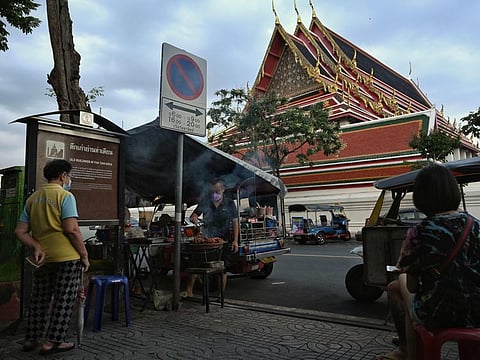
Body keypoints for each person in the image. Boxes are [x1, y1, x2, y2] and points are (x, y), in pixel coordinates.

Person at [376, 164, 480, 360]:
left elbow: (414, 287)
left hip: (440, 313)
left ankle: (408, 350)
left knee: (399, 285)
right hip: (478, 311)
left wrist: (406, 273)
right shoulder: (476, 225)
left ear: (421, 197)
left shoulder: (420, 231)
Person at [15, 159, 90, 355]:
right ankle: (53, 342)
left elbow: (20, 231)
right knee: (64, 300)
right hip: (67, 258)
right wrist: (84, 255)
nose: (69, 179)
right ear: (64, 176)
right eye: (69, 176)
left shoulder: (33, 198)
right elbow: (72, 229)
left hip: (44, 259)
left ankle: (31, 339)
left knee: (39, 299)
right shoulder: (65, 196)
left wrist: (37, 246)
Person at [184, 178, 239, 297]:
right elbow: (194, 215)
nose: (215, 194)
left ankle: (221, 295)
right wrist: (193, 217)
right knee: (195, 263)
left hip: (223, 240)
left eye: (217, 191)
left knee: (222, 268)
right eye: (212, 192)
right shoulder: (205, 201)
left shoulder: (229, 203)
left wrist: (235, 240)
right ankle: (189, 292)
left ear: (223, 190)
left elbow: (235, 222)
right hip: (206, 238)